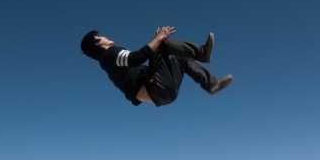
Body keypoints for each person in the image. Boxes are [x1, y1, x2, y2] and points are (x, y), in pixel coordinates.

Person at [80, 26, 233, 106]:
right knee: (162, 44)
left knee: (178, 55)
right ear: (99, 43)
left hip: (160, 91)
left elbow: (139, 60)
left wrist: (157, 40)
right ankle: (201, 54)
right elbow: (136, 59)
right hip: (156, 88)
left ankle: (211, 84)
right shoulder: (109, 56)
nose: (107, 37)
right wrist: (158, 39)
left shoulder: (110, 60)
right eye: (102, 37)